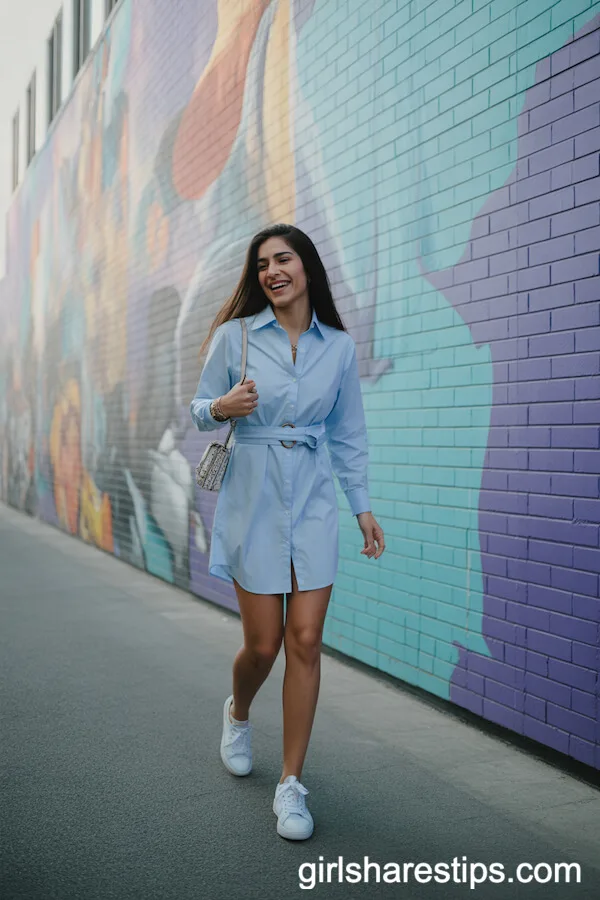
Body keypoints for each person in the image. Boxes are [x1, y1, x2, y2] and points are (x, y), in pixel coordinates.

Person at [190, 223, 385, 841]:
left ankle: (291, 785)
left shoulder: (340, 348)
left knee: (305, 641)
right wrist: (224, 408)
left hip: (316, 502)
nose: (273, 271)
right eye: (263, 264)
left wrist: (362, 507)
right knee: (264, 646)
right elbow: (198, 409)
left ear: (307, 268)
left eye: (284, 259)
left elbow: (349, 435)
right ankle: (238, 711)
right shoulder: (236, 336)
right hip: (254, 499)